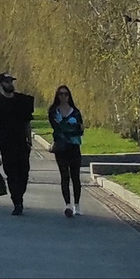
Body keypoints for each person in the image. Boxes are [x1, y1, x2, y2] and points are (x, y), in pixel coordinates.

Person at [0, 73, 37, 215]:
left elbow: (27, 123)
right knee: (12, 174)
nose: (10, 84)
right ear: (1, 84)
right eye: (7, 82)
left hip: (22, 143)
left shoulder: (22, 100)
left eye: (11, 81)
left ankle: (19, 195)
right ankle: (17, 202)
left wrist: (29, 141)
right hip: (6, 144)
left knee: (24, 173)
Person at [47, 84, 87, 218]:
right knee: (64, 175)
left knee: (75, 176)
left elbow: (80, 129)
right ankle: (67, 204)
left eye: (66, 94)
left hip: (74, 147)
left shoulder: (75, 111)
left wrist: (67, 128)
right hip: (61, 148)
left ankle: (77, 204)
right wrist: (70, 127)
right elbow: (56, 127)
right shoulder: (53, 111)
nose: (63, 96)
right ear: (57, 96)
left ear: (69, 96)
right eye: (60, 94)